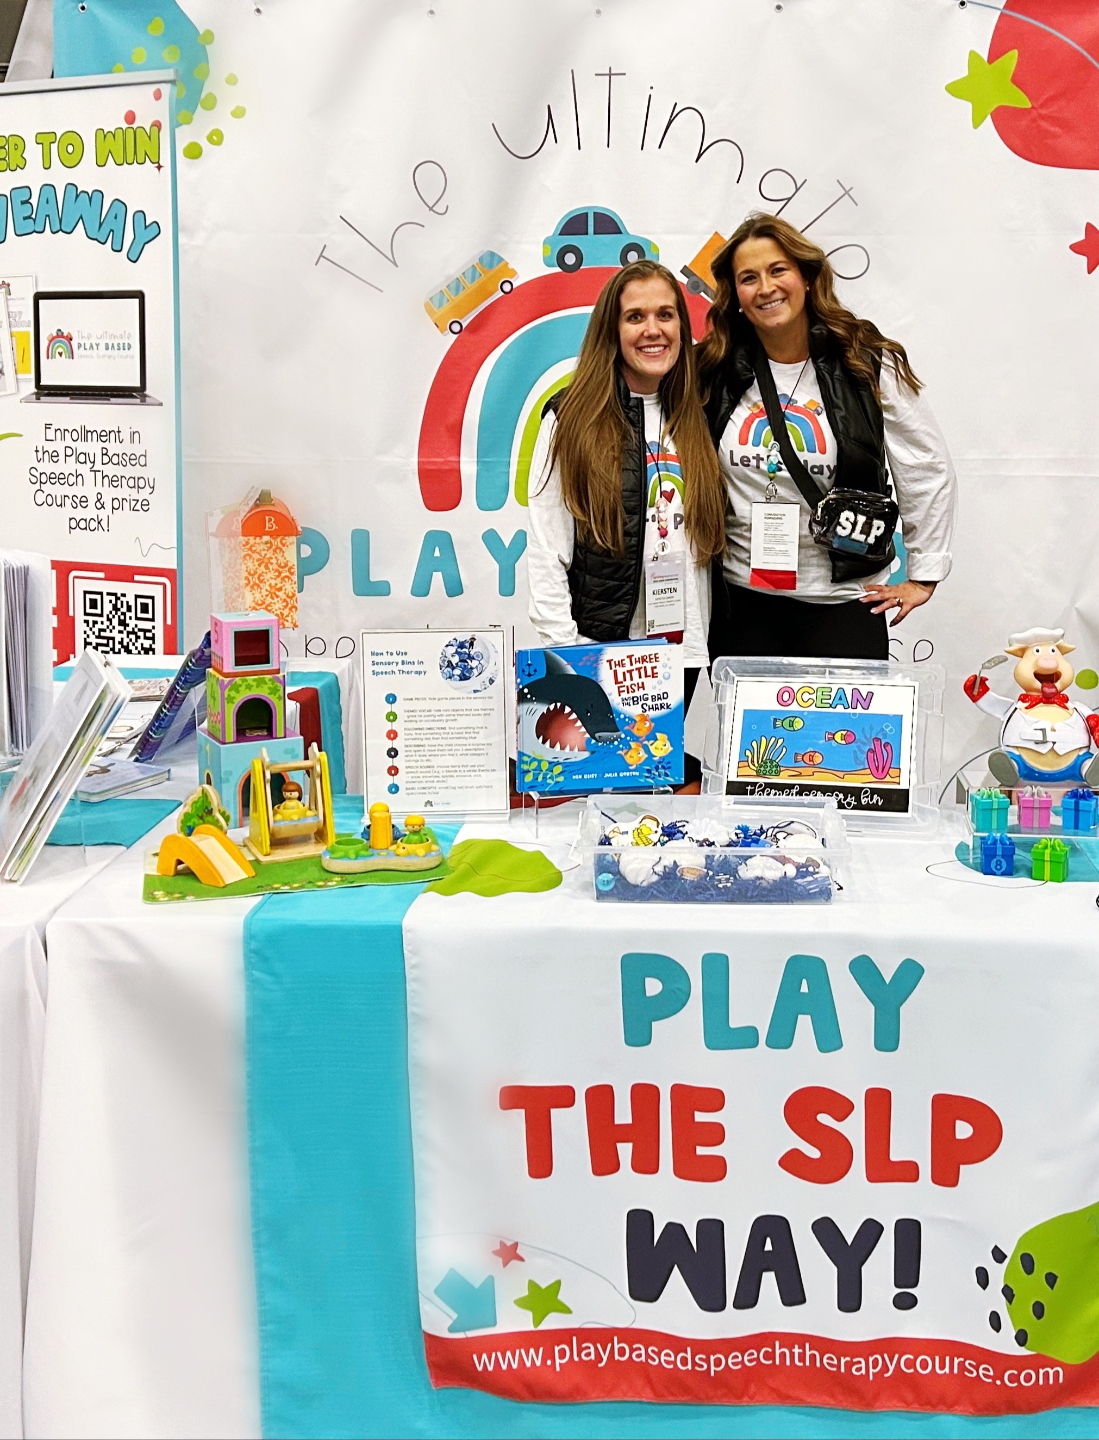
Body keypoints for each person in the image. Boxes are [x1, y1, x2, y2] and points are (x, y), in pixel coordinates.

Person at [698, 213, 957, 662]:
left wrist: (925, 572)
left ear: (806, 276)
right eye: (748, 278)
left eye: (778, 270)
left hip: (844, 603)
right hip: (741, 604)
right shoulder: (715, 368)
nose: (766, 288)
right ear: (734, 293)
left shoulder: (866, 361)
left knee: (844, 715)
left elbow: (925, 466)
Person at [527, 260, 726, 778]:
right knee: (601, 789)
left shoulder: (699, 412)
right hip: (602, 648)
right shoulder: (570, 417)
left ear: (682, 325)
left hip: (682, 647)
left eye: (665, 314)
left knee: (653, 784)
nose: (652, 329)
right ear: (611, 331)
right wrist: (569, 658)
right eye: (635, 316)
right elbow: (547, 547)